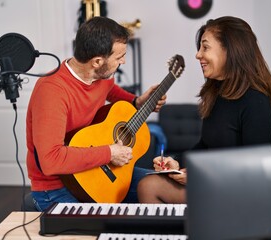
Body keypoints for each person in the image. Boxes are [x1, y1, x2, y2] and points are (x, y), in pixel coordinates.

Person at [26, 16, 166, 211]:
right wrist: (109, 152)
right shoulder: (52, 91)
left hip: (96, 171)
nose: (123, 61)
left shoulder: (101, 76)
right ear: (97, 61)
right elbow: (51, 160)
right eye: (119, 57)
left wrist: (136, 101)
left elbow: (110, 90)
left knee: (166, 188)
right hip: (57, 187)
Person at [137, 16, 271, 204]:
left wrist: (199, 176)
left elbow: (254, 169)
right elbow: (205, 146)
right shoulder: (217, 93)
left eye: (205, 47)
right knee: (146, 182)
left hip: (236, 195)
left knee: (149, 186)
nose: (198, 55)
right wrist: (177, 162)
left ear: (230, 50)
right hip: (212, 184)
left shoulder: (256, 102)